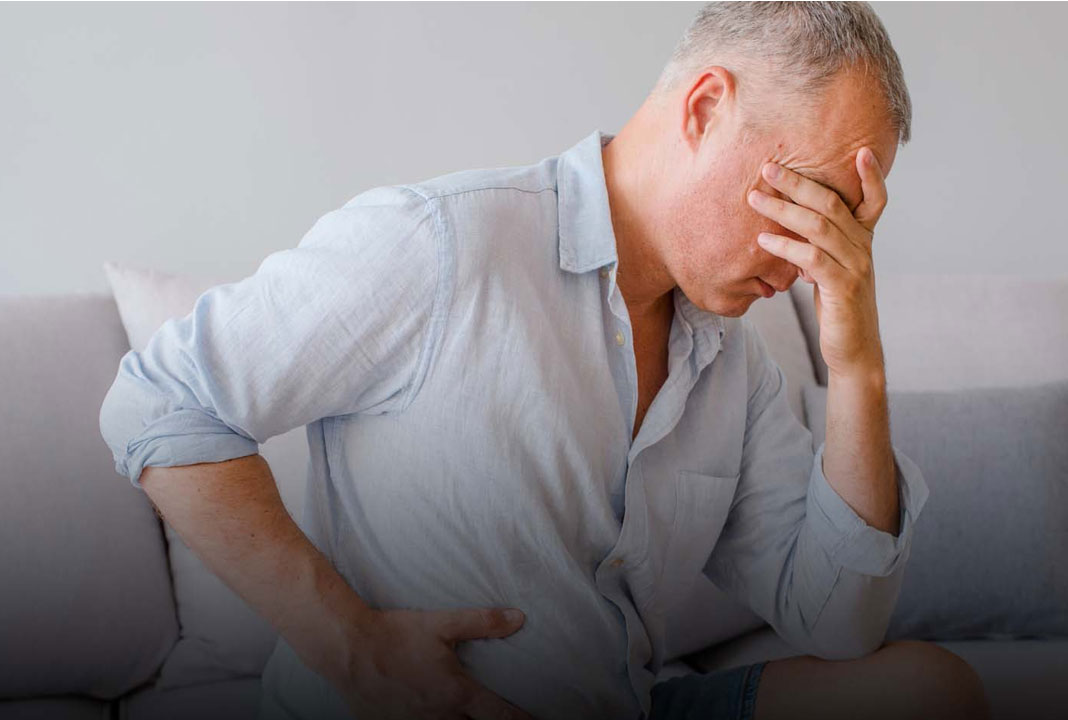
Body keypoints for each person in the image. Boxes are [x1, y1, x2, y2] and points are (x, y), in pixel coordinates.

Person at [99, 3, 992, 720]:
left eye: (843, 229)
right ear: (705, 109)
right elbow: (161, 401)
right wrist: (348, 643)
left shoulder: (733, 363)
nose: (813, 262)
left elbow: (837, 620)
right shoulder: (440, 244)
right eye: (810, 205)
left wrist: (858, 362)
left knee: (929, 692)